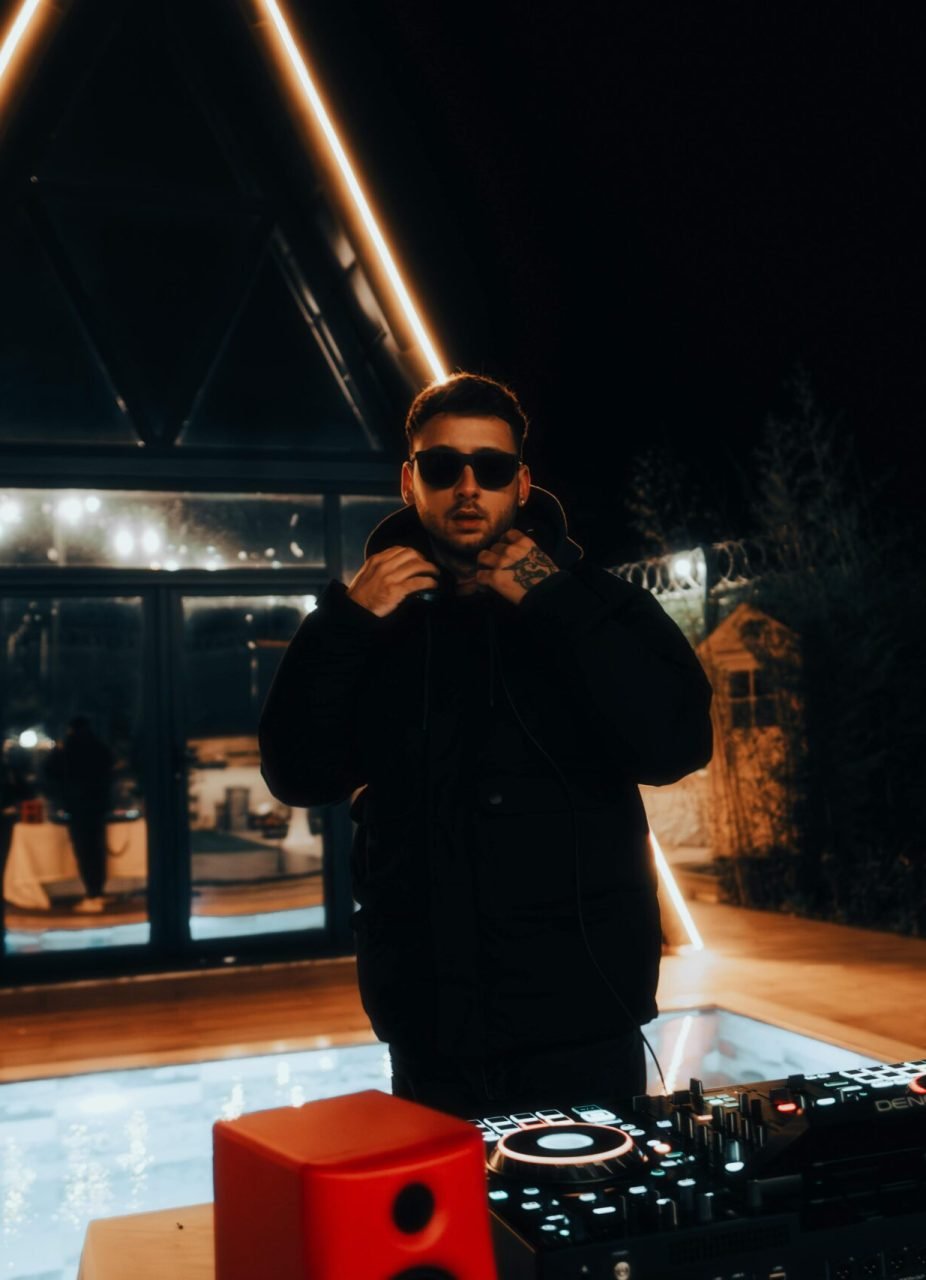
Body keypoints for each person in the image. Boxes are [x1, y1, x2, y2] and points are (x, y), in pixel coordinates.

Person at [259, 372, 712, 1117]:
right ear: (410, 481)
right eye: (443, 467)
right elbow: (297, 770)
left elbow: (675, 743)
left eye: (492, 468)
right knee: (448, 1234)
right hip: (432, 1023)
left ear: (522, 483)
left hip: (582, 1018)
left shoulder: (594, 601)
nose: (468, 487)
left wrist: (554, 600)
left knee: (587, 1228)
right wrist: (346, 623)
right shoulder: (372, 623)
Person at [43, 717, 114, 914]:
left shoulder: (69, 748)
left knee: (84, 851)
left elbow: (50, 770)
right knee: (97, 850)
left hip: (77, 807)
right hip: (98, 807)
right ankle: (98, 891)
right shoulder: (99, 747)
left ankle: (92, 893)